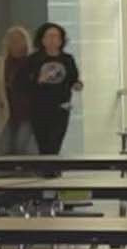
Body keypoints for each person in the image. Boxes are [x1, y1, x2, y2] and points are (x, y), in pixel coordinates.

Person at [22, 21, 82, 155]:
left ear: (61, 40)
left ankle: (53, 168)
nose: (52, 40)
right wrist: (38, 80)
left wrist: (77, 84)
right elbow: (24, 83)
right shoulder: (34, 59)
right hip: (39, 105)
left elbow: (73, 78)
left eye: (56, 37)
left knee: (56, 139)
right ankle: (46, 169)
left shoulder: (67, 59)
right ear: (42, 39)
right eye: (49, 36)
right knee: (43, 140)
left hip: (61, 105)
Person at [0, 24, 35, 155]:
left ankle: (25, 173)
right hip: (8, 112)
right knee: (6, 147)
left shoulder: (32, 61)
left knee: (22, 145)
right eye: (12, 40)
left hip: (28, 112)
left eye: (19, 40)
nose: (15, 44)